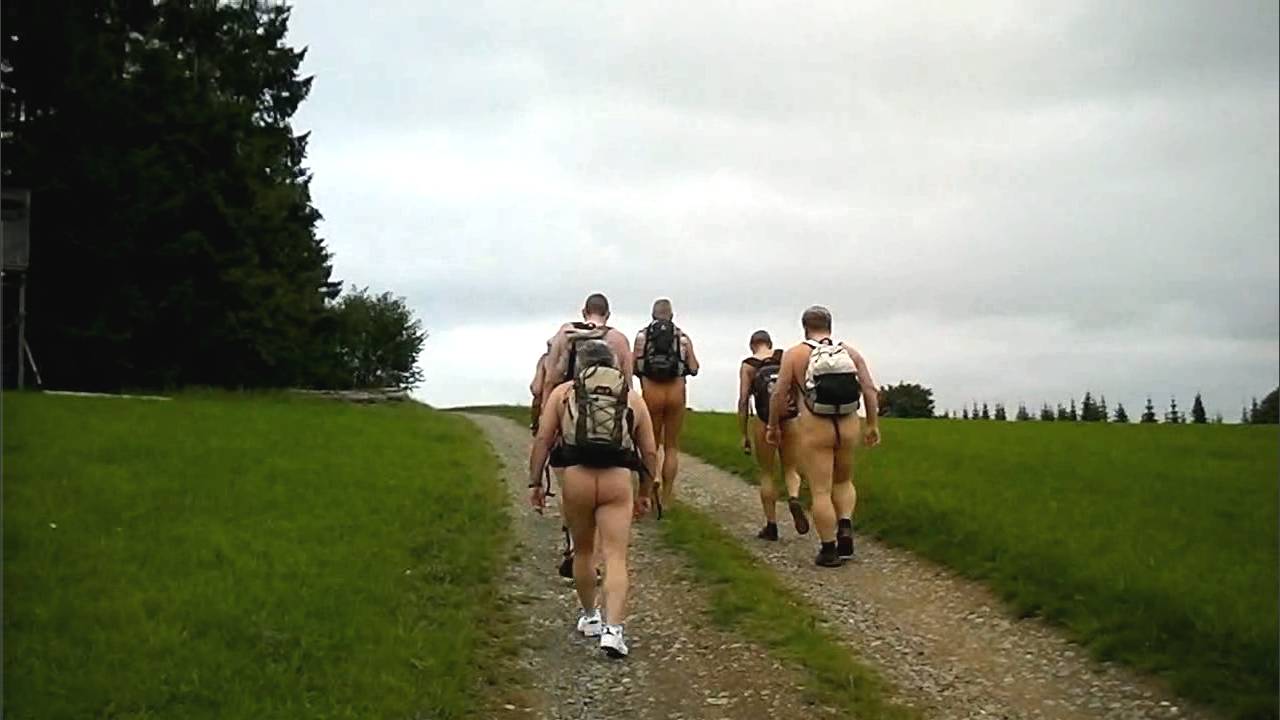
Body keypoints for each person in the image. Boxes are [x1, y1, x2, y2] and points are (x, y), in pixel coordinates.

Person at [529, 340, 658, 658]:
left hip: (577, 478)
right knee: (615, 556)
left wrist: (536, 482)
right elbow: (649, 451)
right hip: (617, 480)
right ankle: (614, 631)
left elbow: (543, 439)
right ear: (613, 364)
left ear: (579, 365)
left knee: (584, 551)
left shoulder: (564, 393)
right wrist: (645, 491)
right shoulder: (631, 397)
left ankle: (590, 617)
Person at [767, 306, 880, 567]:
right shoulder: (849, 352)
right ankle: (845, 525)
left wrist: (773, 425)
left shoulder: (794, 355)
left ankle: (829, 549)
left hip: (814, 426)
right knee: (844, 481)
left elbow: (778, 394)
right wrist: (872, 424)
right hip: (848, 423)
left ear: (805, 327)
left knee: (820, 490)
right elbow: (869, 389)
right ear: (830, 326)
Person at [538, 293, 633, 577]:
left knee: (569, 486)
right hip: (608, 424)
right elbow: (628, 385)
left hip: (566, 414)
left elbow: (550, 378)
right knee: (607, 491)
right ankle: (598, 557)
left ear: (584, 311)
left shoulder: (565, 334)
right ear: (608, 313)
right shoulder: (618, 340)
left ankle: (574, 547)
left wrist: (546, 419)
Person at [738, 330, 808, 540]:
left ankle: (771, 525)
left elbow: (744, 400)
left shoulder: (748, 365)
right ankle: (793, 497)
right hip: (789, 420)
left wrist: (744, 433)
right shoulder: (784, 357)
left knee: (767, 473)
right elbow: (799, 390)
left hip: (764, 421)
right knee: (791, 469)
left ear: (752, 345)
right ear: (770, 343)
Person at [633, 298, 699, 507]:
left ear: (652, 315)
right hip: (676, 392)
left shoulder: (642, 336)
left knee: (650, 444)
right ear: (671, 315)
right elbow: (694, 368)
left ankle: (650, 484)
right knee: (671, 446)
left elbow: (635, 366)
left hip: (651, 392)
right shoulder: (682, 337)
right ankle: (667, 497)